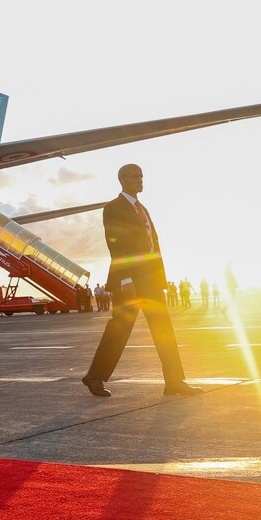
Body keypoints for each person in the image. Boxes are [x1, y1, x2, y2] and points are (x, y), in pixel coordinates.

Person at [81, 164, 202, 398]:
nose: (139, 180)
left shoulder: (142, 209)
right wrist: (126, 278)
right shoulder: (113, 208)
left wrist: (160, 280)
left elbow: (152, 246)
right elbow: (116, 244)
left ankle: (175, 381)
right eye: (134, 177)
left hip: (151, 281)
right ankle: (94, 376)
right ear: (123, 180)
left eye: (141, 176)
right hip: (130, 281)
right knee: (120, 329)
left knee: (164, 329)